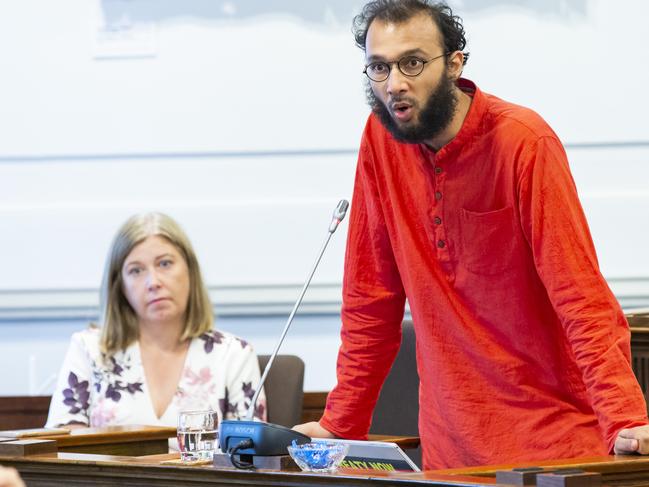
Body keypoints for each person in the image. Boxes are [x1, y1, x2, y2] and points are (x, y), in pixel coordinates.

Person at [294, 0, 649, 469]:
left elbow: (580, 296)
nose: (394, 84)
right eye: (378, 68)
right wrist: (341, 422)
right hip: (450, 455)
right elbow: (370, 297)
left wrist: (625, 416)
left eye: (413, 63)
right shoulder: (380, 140)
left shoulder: (523, 142)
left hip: (555, 449)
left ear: (455, 64)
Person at [46, 212, 265, 429]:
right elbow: (57, 447)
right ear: (119, 286)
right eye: (136, 270)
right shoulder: (89, 349)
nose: (153, 282)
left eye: (165, 264)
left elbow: (249, 455)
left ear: (190, 271)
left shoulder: (234, 355)